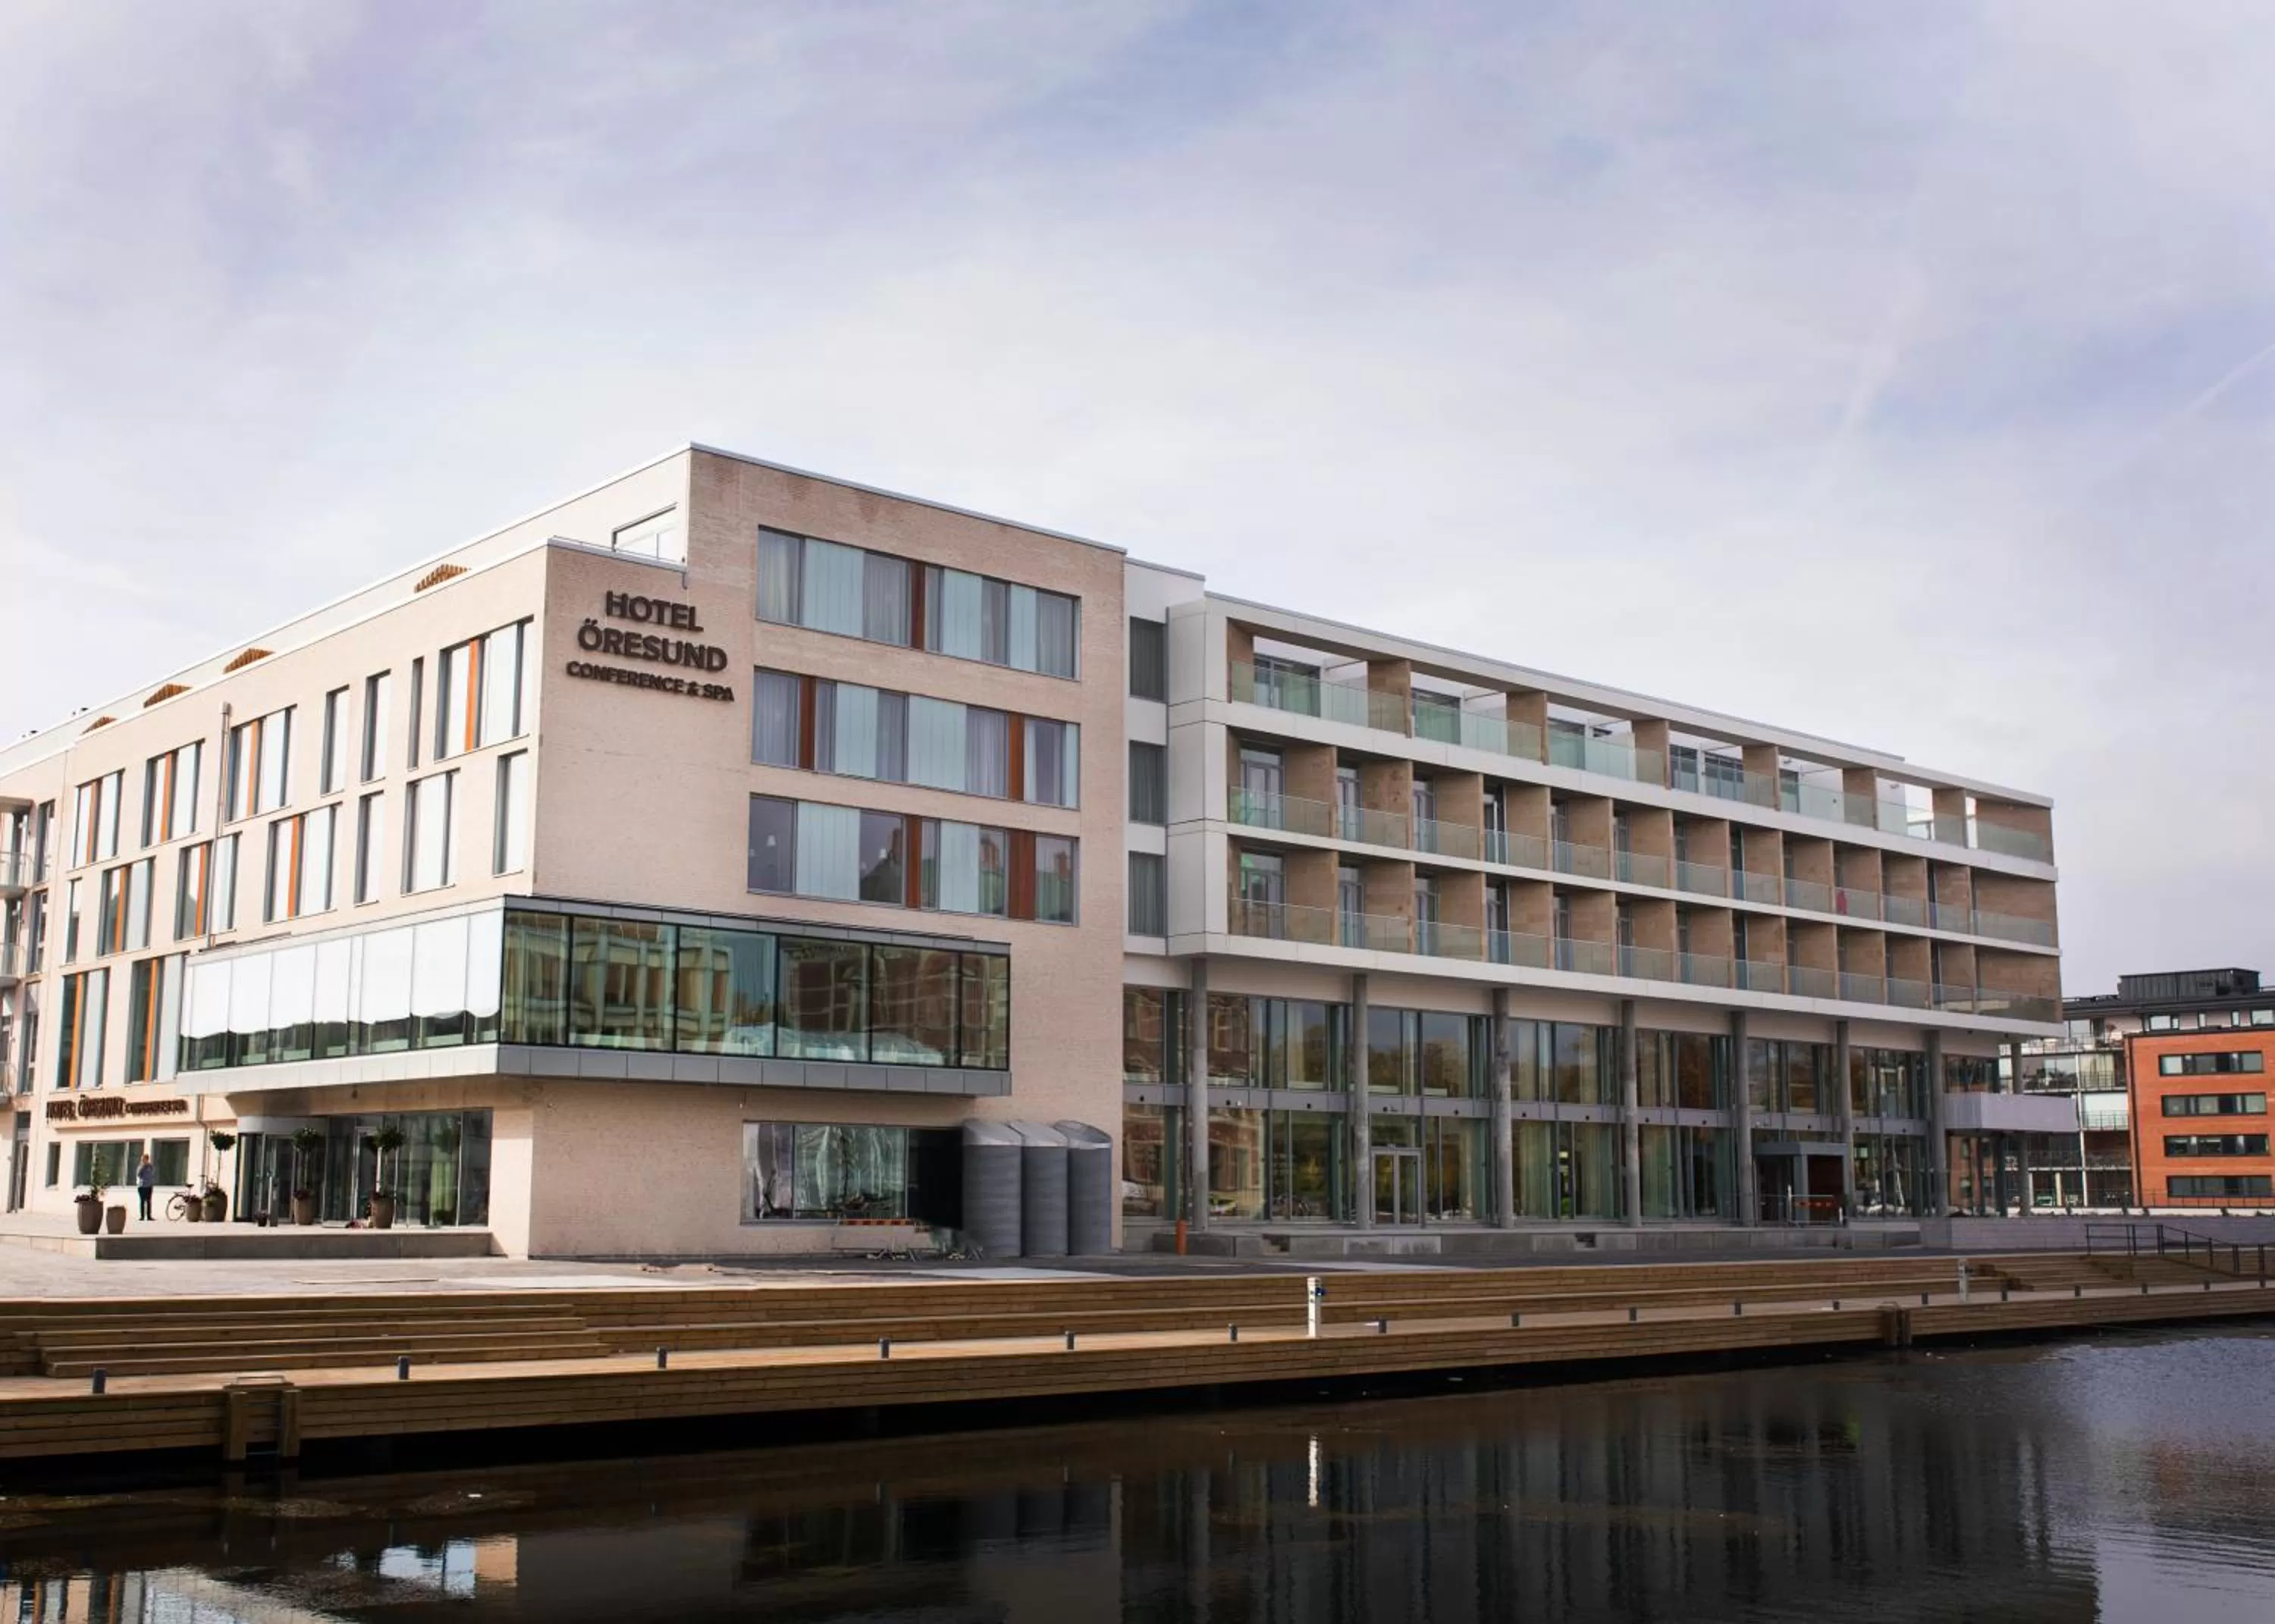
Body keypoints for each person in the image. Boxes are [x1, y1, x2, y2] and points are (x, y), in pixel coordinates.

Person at [136, 1153, 155, 1221]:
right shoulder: (140, 1167)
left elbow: (152, 1175)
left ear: (147, 1159)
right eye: (142, 1159)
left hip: (149, 1186)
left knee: (149, 1201)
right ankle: (142, 1216)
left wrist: (152, 1184)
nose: (143, 1161)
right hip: (142, 1186)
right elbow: (138, 1175)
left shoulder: (150, 1166)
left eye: (144, 1159)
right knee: (142, 1201)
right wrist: (143, 1167)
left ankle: (149, 1216)